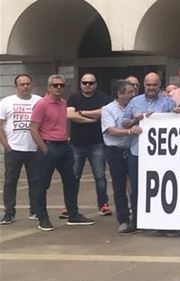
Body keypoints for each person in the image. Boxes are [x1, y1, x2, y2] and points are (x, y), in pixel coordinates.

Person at [30, 74, 95, 231]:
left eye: (61, 85)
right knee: (42, 184)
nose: (59, 88)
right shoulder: (42, 104)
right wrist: (44, 149)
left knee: (71, 181)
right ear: (48, 87)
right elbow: (33, 128)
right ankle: (42, 218)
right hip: (49, 146)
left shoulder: (63, 103)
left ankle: (73, 215)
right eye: (55, 85)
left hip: (64, 146)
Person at [122, 72, 175, 234]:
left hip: (161, 155)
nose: (151, 88)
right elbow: (124, 123)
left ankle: (161, 223)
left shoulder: (168, 102)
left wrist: (178, 114)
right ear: (144, 85)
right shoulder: (134, 102)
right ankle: (136, 221)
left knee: (161, 188)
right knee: (136, 189)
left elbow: (178, 124)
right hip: (137, 152)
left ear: (160, 85)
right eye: (148, 85)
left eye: (155, 85)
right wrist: (134, 121)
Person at [66, 72, 112, 218]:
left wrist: (82, 112)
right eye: (84, 82)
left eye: (90, 83)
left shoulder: (103, 98)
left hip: (97, 144)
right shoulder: (73, 97)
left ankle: (103, 204)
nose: (87, 85)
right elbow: (70, 115)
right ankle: (70, 206)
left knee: (100, 176)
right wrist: (90, 120)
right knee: (73, 176)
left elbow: (104, 112)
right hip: (76, 144)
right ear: (80, 84)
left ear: (96, 84)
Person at [0, 74, 42, 224]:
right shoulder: (6, 102)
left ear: (32, 85)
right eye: (22, 84)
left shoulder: (39, 101)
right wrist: (5, 144)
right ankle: (9, 213)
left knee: (36, 181)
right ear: (16, 86)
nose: (25, 87)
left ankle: (35, 210)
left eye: (27, 84)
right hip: (14, 149)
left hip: (34, 148)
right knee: (10, 181)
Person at [101, 79, 139, 234]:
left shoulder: (135, 106)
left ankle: (137, 218)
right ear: (119, 94)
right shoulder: (108, 109)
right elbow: (111, 130)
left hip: (131, 150)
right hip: (115, 151)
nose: (133, 94)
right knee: (119, 186)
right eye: (129, 91)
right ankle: (123, 219)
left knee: (136, 185)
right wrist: (130, 131)